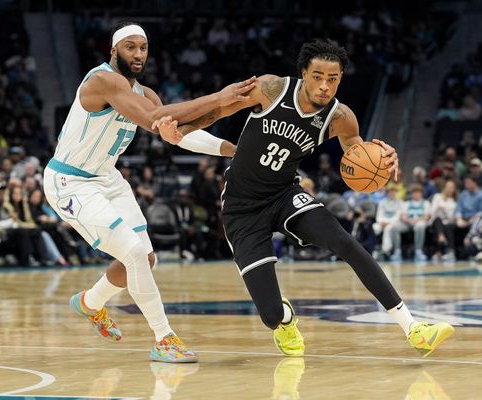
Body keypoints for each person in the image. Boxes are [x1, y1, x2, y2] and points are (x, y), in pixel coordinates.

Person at [99, 38, 455, 357]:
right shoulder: (271, 88)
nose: (325, 85)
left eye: (333, 79)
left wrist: (381, 155)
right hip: (241, 207)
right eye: (318, 76)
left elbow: (356, 154)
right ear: (304, 73)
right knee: (270, 315)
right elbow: (218, 111)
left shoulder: (340, 116)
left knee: (346, 243)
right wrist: (181, 130)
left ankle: (413, 328)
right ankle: (284, 318)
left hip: (285, 194)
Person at [43, 22, 256, 363]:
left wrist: (234, 149)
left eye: (143, 47)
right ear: (114, 51)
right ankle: (164, 339)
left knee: (146, 257)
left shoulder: (146, 94)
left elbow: (180, 133)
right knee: (133, 253)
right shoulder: (102, 80)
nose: (138, 54)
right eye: (130, 47)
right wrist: (218, 96)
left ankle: (90, 303)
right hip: (71, 181)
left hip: (106, 178)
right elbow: (154, 118)